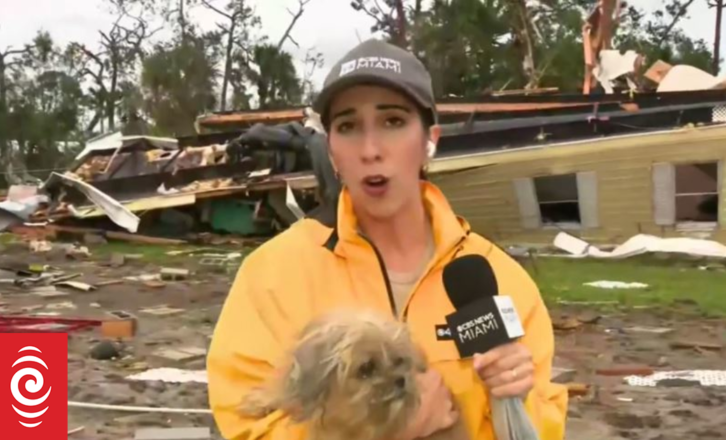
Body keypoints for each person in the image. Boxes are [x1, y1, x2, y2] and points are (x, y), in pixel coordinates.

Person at [206, 39, 569, 440]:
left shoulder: (500, 280)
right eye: (348, 127)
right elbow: (247, 422)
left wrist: (517, 401)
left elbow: (546, 426)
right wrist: (387, 430)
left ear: (430, 140)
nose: (371, 149)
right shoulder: (274, 275)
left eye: (393, 121)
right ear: (331, 151)